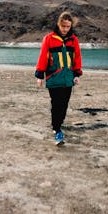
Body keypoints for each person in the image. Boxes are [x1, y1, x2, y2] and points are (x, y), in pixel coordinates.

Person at [35, 11, 83, 145]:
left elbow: (77, 58)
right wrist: (40, 76)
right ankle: (57, 130)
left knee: (64, 104)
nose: (65, 29)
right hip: (54, 77)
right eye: (63, 26)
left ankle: (59, 124)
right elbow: (43, 56)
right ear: (58, 24)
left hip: (68, 78)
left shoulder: (73, 40)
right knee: (56, 104)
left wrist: (77, 74)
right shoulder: (49, 38)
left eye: (68, 26)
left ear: (71, 26)